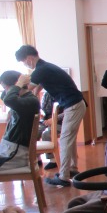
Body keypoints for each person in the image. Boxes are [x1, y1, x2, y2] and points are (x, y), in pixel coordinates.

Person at [15, 45, 87, 187]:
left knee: (65, 140)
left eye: (23, 62)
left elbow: (24, 90)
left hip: (73, 105)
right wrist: (35, 92)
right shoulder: (45, 67)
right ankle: (72, 169)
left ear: (29, 58)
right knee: (69, 138)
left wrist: (19, 84)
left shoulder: (40, 70)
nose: (25, 65)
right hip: (76, 104)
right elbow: (39, 86)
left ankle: (64, 177)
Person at [0, 70, 40, 172]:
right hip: (9, 149)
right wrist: (17, 85)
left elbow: (8, 99)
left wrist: (19, 83)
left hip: (16, 153)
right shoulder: (21, 99)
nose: (5, 91)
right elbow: (5, 97)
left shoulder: (30, 101)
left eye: (5, 88)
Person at [37, 91, 63, 170]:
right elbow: (43, 109)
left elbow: (67, 113)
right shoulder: (46, 94)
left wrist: (54, 119)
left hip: (60, 123)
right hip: (47, 120)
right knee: (35, 132)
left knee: (46, 134)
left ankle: (53, 160)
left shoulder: (62, 93)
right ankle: (37, 158)